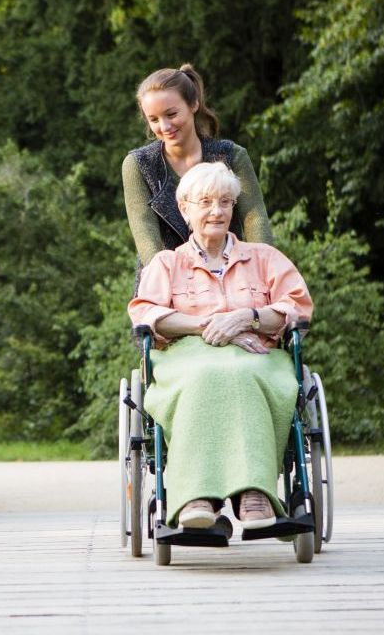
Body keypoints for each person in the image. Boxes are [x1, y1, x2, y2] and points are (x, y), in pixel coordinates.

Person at [128, 161, 312, 530]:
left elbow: (296, 308)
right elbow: (145, 315)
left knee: (240, 372)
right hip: (186, 358)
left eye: (226, 202)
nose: (217, 211)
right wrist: (208, 325)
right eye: (206, 201)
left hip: (257, 356)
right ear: (185, 209)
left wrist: (248, 318)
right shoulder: (166, 264)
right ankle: (198, 496)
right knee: (206, 375)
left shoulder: (264, 258)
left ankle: (254, 492)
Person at [122, 65, 274, 282]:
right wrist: (170, 282)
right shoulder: (138, 164)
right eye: (154, 119)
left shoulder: (233, 155)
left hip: (232, 279)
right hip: (167, 284)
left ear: (193, 104)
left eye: (171, 114)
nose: (164, 126)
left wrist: (263, 268)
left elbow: (254, 216)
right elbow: (145, 233)